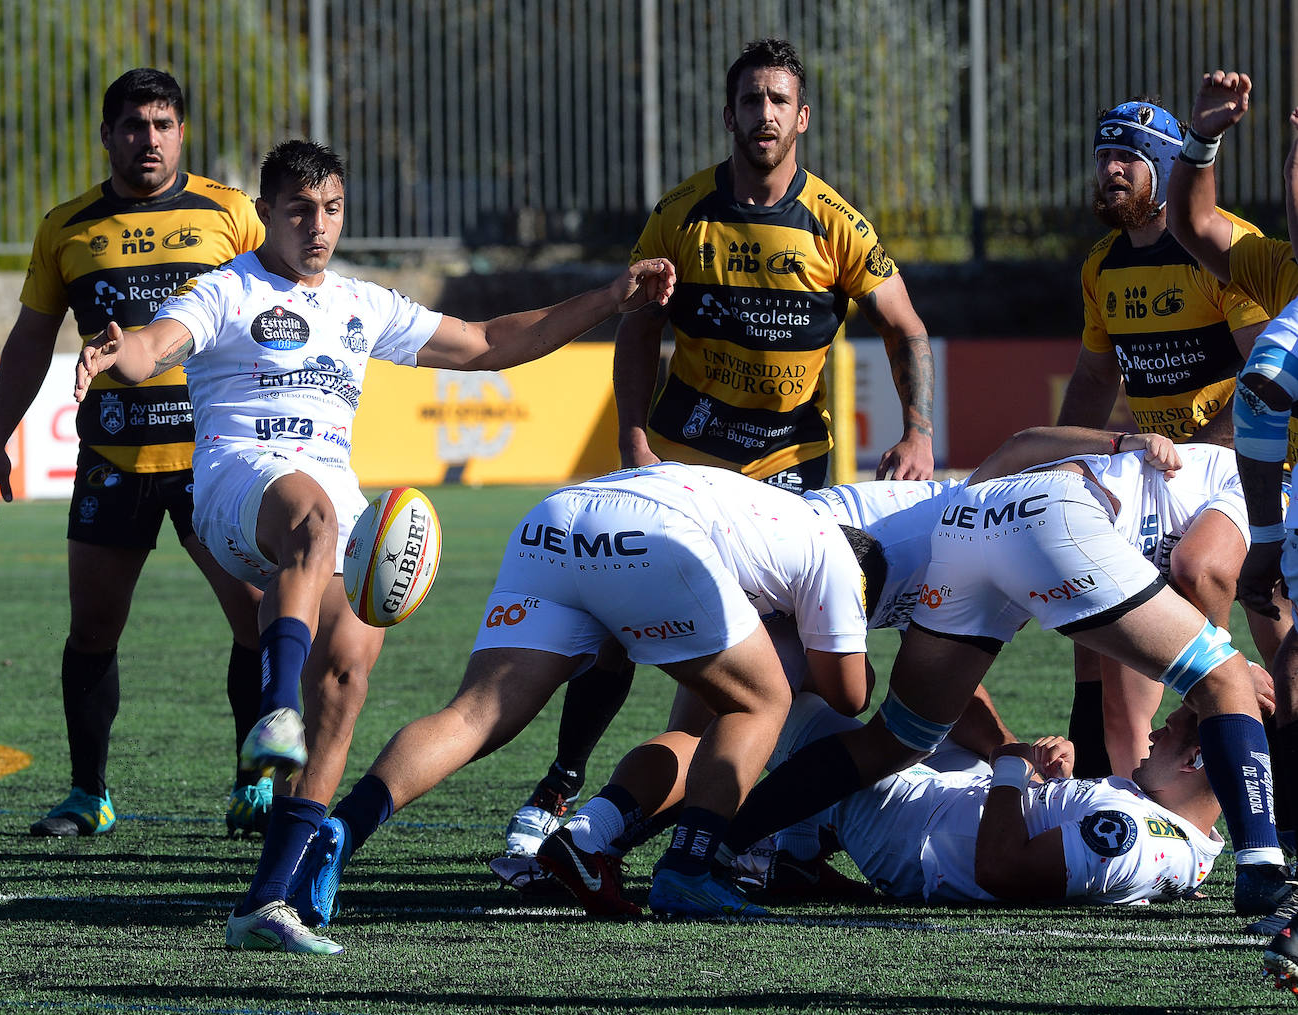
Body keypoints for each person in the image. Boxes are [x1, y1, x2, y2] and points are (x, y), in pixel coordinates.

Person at [72, 139, 677, 953]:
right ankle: (273, 710)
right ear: (265, 214)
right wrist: (124, 352)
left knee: (352, 664)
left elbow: (490, 342)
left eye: (331, 210)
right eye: (298, 211)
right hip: (237, 485)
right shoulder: (226, 288)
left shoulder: (362, 303)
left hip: (328, 503)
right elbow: (158, 344)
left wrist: (612, 298)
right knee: (316, 521)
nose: (317, 227)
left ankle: (270, 898)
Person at [528, 429, 1274, 915]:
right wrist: (1216, 664)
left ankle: (689, 847)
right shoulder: (1246, 488)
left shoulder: (989, 509)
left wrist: (1009, 755)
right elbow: (1200, 568)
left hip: (875, 548)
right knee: (759, 717)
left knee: (853, 732)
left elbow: (1007, 469)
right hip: (816, 565)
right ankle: (601, 842)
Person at [503, 36, 939, 859]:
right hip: (681, 467)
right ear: (729, 114)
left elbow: (905, 325)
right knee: (608, 627)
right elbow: (639, 329)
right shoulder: (681, 215)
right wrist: (633, 432)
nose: (764, 115)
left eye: (779, 101)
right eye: (751, 101)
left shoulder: (838, 225)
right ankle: (565, 782)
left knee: (756, 673)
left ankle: (696, 823)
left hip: (787, 485)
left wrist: (917, 433)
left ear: (801, 118)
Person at [230, 460, 879, 952]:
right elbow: (849, 692)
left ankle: (343, 830)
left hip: (556, 519)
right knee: (761, 704)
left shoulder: (772, 511)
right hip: (648, 538)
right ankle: (689, 867)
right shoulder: (836, 557)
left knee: (474, 714)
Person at [0, 68, 271, 838]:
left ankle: (256, 781)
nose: (150, 139)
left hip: (216, 459)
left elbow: (289, 302)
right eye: (134, 125)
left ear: (183, 132)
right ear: (107, 135)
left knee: (260, 620)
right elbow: (32, 337)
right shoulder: (66, 227)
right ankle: (88, 794)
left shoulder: (231, 214)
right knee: (93, 628)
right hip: (114, 459)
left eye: (164, 124)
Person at [1057, 96, 1273, 783]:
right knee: (1089, 613)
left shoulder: (1221, 249)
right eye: (1103, 156)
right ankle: (1096, 788)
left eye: (1128, 158)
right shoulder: (1101, 264)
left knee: (1202, 573)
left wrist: (1207, 446)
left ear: (1165, 168)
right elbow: (1095, 378)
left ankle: (1233, 712)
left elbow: (1266, 380)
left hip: (1244, 464)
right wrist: (1064, 459)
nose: (1110, 170)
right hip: (1159, 470)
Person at [1165, 71, 1298, 891]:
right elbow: (1195, 221)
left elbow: (1264, 386)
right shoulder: (1281, 270)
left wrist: (1269, 538)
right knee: (1290, 679)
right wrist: (1204, 141)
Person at [738, 696, 1223, 908]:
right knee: (953, 694)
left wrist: (1012, 768)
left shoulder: (1134, 836)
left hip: (915, 836)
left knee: (770, 699)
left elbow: (1000, 867)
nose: (1156, 732)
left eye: (1172, 727)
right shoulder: (1172, 832)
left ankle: (701, 840)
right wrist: (1053, 780)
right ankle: (795, 855)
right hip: (953, 806)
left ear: (1195, 759)